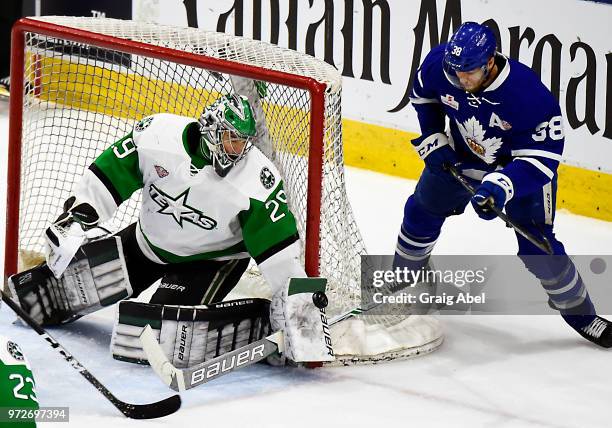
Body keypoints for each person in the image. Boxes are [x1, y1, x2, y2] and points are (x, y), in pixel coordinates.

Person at [8, 93, 333, 365]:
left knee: (152, 335)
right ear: (210, 130)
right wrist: (77, 219)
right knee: (36, 296)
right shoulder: (158, 136)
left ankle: (263, 324)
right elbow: (109, 176)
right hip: (148, 242)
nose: (238, 150)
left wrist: (299, 310)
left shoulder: (257, 181)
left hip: (211, 261)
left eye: (243, 142)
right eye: (231, 139)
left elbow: (278, 252)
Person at [395, 21, 611, 347]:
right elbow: (424, 97)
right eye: (455, 72)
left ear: (490, 62)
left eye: (469, 73)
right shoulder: (442, 65)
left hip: (519, 173)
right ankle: (401, 283)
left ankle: (581, 314)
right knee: (419, 213)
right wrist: (432, 138)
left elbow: (540, 162)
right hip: (459, 157)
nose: (460, 79)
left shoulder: (529, 96)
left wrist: (499, 186)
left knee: (537, 248)